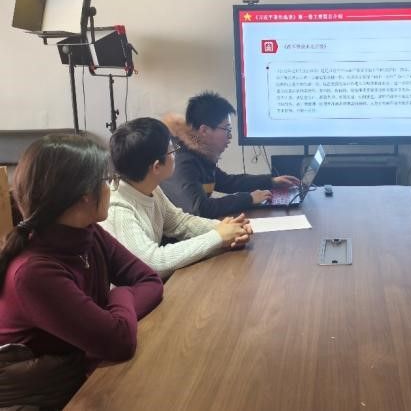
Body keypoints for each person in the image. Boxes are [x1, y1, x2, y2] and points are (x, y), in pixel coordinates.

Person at [0, 134, 163, 408]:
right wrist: (120, 294)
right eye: (107, 180)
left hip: (77, 378)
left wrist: (111, 317)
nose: (110, 188)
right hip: (36, 398)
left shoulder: (89, 233)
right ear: (85, 195)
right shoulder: (33, 272)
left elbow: (149, 280)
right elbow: (119, 341)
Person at [103, 117, 253, 280]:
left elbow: (179, 222)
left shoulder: (149, 187)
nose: (176, 154)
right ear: (156, 167)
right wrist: (217, 237)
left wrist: (227, 228)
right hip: (135, 292)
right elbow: (153, 263)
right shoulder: (118, 209)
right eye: (172, 149)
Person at [160, 91, 299, 218]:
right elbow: (198, 208)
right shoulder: (182, 159)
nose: (230, 136)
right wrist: (249, 198)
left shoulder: (198, 154)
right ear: (204, 130)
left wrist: (271, 181)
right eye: (227, 129)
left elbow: (228, 182)